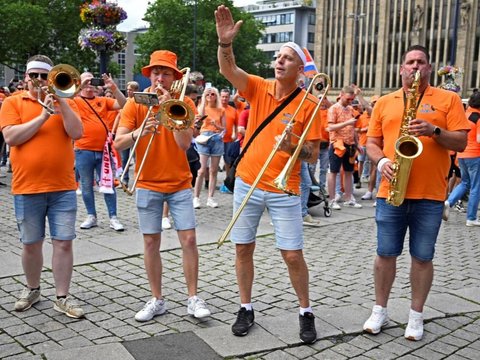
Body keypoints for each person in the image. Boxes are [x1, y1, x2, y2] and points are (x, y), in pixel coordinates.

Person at [215, 5, 321, 344]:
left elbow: (313, 154)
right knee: (243, 249)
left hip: (284, 188)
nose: (279, 60)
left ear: (300, 70)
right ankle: (245, 306)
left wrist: (293, 147)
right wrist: (224, 43)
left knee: (291, 254)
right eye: (278, 55)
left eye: (287, 58)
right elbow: (229, 71)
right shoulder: (258, 87)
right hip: (248, 180)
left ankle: (305, 311)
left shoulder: (309, 105)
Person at [363, 45, 469, 341]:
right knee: (385, 254)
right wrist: (382, 160)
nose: (415, 67)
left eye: (421, 62)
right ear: (401, 69)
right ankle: (379, 310)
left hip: (430, 196)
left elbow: (460, 143)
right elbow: (371, 142)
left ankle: (416, 315)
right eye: (410, 62)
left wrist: (434, 131)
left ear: (429, 68)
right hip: (391, 191)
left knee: (422, 257)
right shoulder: (385, 101)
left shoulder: (448, 99)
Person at [114, 50, 211, 321]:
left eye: (165, 73)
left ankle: (193, 298)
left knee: (189, 240)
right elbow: (118, 143)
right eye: (155, 72)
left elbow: (183, 145)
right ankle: (157, 299)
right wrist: (137, 132)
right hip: (147, 181)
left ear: (174, 77)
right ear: (149, 75)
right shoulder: (135, 104)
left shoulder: (185, 104)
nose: (160, 77)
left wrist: (171, 110)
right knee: (150, 242)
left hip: (180, 182)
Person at [0, 54, 85, 318]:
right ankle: (33, 289)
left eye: (43, 76)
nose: (37, 80)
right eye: (33, 75)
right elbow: (12, 137)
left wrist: (61, 103)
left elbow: (77, 133)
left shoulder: (67, 102)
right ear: (25, 77)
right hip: (27, 187)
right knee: (31, 244)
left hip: (62, 187)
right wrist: (43, 115)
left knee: (63, 243)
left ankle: (62, 296)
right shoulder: (13, 102)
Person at [73, 72, 126, 231]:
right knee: (86, 185)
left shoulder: (103, 100)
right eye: (86, 82)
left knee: (107, 184)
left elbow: (123, 104)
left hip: (103, 150)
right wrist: (79, 85)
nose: (90, 85)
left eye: (92, 81)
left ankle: (113, 217)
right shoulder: (75, 101)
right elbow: (64, 99)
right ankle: (91, 215)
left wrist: (113, 87)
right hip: (83, 149)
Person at [443, 91, 480, 226]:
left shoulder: (466, 115)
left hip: (462, 154)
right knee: (476, 186)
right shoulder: (478, 117)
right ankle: (471, 218)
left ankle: (449, 201)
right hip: (476, 155)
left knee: (465, 182)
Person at [326, 86, 363, 210]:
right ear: (341, 94)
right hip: (337, 143)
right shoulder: (333, 109)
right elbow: (330, 127)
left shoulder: (351, 108)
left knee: (349, 172)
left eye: (352, 99)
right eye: (348, 99)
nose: (350, 101)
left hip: (350, 144)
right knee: (334, 171)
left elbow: (353, 129)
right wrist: (347, 123)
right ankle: (331, 199)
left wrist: (357, 144)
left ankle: (348, 198)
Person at [192, 86, 226, 209]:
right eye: (208, 94)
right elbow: (198, 121)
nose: (210, 96)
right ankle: (196, 197)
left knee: (213, 170)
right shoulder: (202, 108)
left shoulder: (221, 110)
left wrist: (216, 124)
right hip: (204, 137)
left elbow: (224, 128)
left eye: (212, 94)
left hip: (216, 138)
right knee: (201, 170)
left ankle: (210, 197)